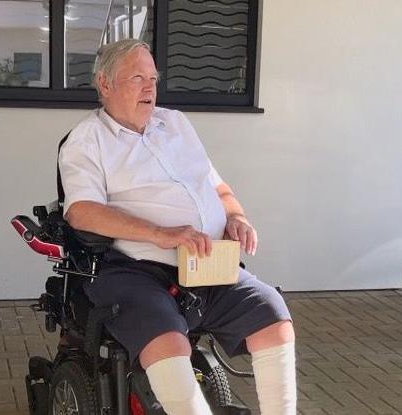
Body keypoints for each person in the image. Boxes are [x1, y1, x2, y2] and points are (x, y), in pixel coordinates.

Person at [59, 38, 296, 415]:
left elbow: (218, 187)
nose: (150, 87)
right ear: (105, 84)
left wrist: (237, 217)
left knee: (270, 311)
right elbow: (82, 212)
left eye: (153, 78)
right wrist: (162, 234)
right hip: (134, 269)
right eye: (137, 78)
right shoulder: (87, 141)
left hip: (206, 262)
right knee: (167, 339)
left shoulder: (175, 123)